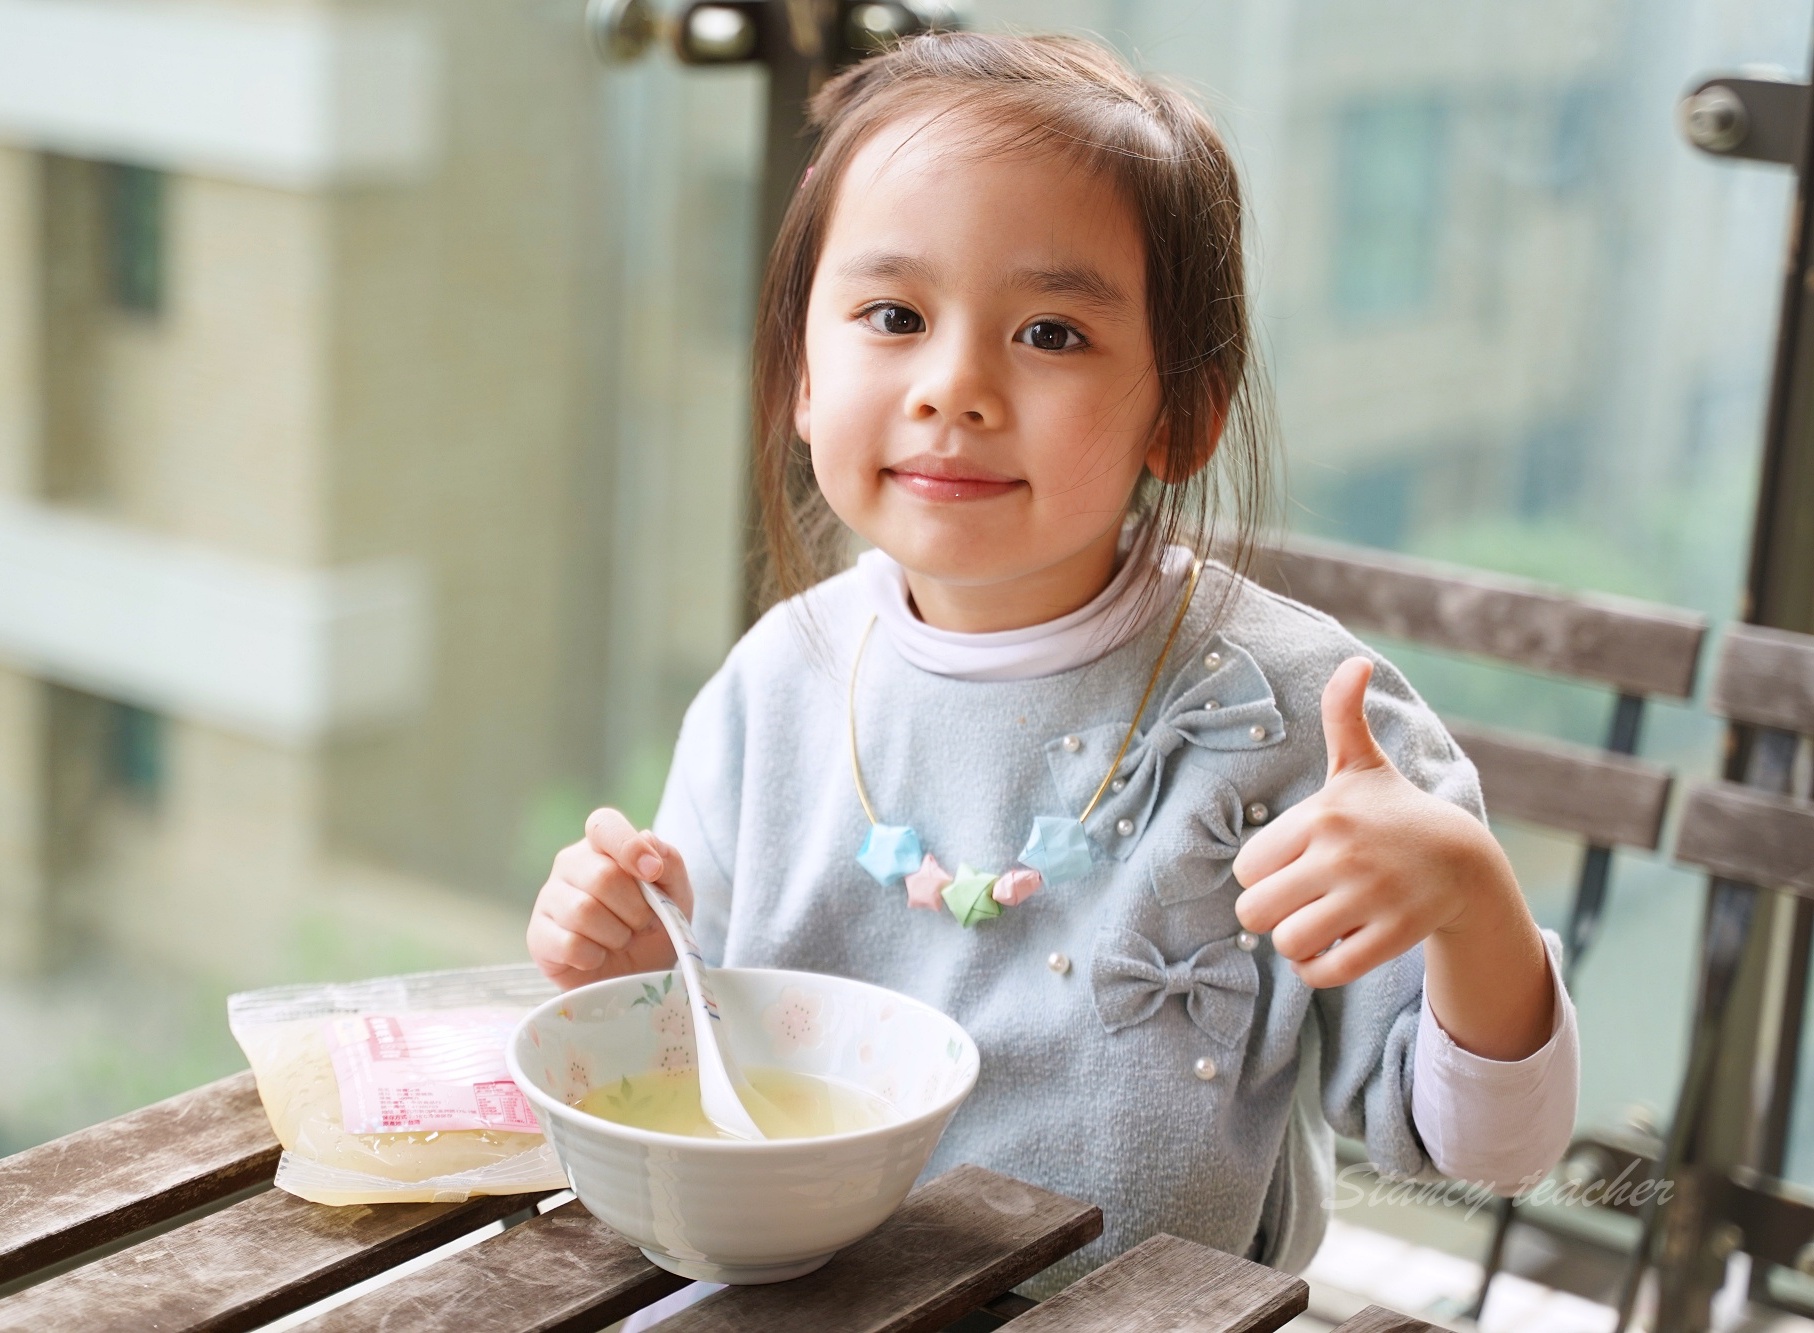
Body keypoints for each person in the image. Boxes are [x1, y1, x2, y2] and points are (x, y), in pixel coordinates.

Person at [528, 30, 1577, 1289]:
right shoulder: (777, 683)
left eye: (1050, 334)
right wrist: (629, 963)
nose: (954, 386)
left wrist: (1469, 901)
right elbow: (700, 1028)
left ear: (1181, 411)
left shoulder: (1301, 718)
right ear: (803, 373)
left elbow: (1491, 1151)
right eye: (892, 315)